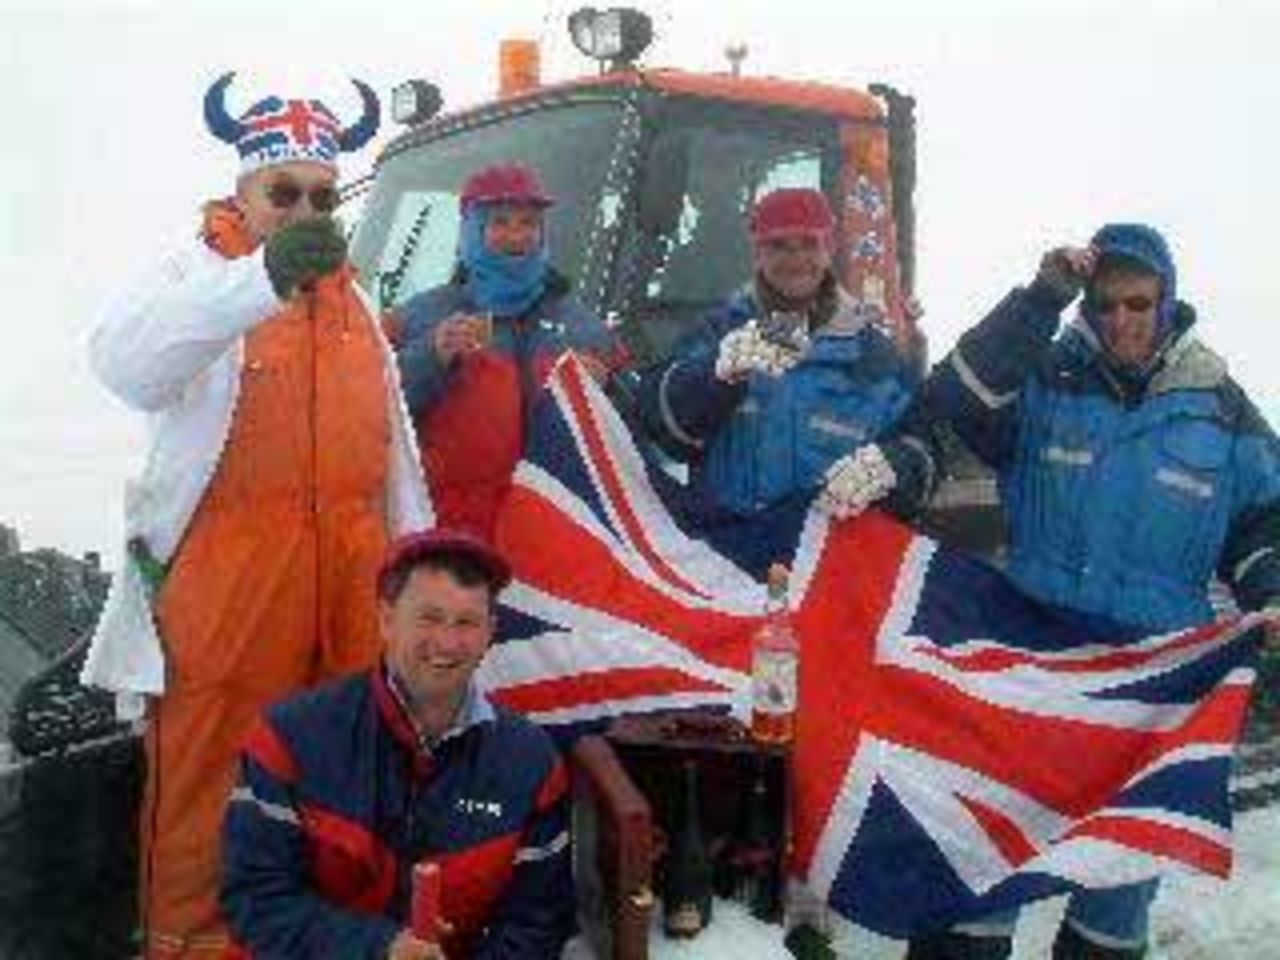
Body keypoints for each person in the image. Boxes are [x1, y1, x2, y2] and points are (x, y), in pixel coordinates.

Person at [826, 222, 1280, 959]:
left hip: (1151, 703)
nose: (1123, 320)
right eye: (1106, 305)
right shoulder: (1042, 381)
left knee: (1111, 916)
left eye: (1139, 303)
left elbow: (1265, 519)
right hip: (1034, 685)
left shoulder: (1224, 410)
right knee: (974, 886)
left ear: (1169, 301)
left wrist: (1271, 587)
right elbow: (954, 392)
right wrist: (1040, 299)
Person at [82, 73, 431, 956]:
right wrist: (260, 282)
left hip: (353, 583)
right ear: (243, 193)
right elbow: (123, 362)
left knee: (352, 783)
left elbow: (394, 455)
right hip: (226, 587)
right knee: (210, 785)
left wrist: (416, 568)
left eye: (321, 194)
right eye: (283, 194)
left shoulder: (353, 302)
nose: (304, 209)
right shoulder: (196, 272)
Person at [221, 529, 574, 959]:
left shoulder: (531, 763)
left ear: (490, 633)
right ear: (386, 620)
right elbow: (254, 903)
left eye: (466, 623)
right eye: (428, 618)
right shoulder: (289, 739)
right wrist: (380, 948)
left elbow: (538, 923)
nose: (447, 643)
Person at [638, 186, 932, 518]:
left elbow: (923, 450)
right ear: (757, 252)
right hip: (725, 556)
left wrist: (897, 467)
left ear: (830, 248)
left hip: (825, 561)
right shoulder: (718, 333)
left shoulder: (874, 357)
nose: (795, 260)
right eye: (778, 245)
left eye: (809, 243)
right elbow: (661, 428)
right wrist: (712, 378)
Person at [387, 163, 627, 537]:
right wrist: (430, 355)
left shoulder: (583, 326)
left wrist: (606, 387)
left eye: (528, 223)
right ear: (472, 230)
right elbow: (375, 413)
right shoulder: (417, 317)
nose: (516, 235)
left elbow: (636, 432)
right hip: (449, 539)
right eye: (499, 222)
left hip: (551, 537)